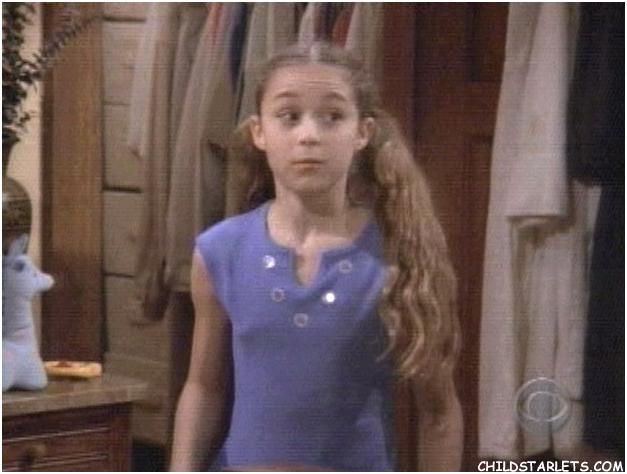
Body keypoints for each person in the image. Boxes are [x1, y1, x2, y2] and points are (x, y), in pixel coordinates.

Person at [170, 42, 463, 472]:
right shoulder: (221, 251)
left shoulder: (397, 254)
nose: (309, 135)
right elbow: (204, 387)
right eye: (289, 116)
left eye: (332, 117)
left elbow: (438, 412)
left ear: (362, 133)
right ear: (259, 132)